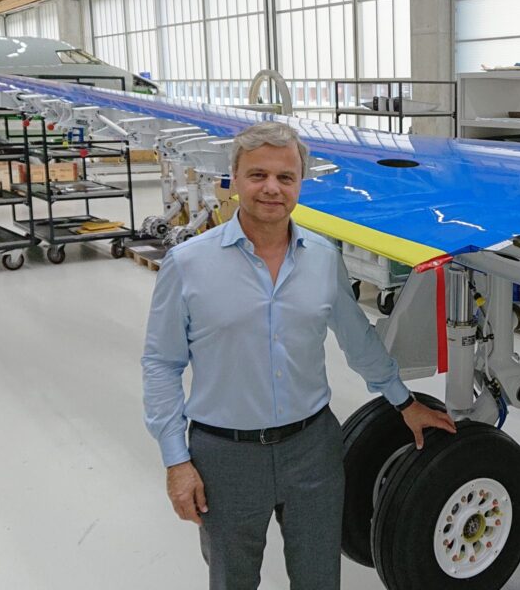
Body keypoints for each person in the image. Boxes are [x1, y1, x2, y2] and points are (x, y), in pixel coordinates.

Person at [142, 121, 456, 590]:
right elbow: (161, 364)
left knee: (319, 579)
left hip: (312, 449)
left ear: (299, 184)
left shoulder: (323, 259)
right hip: (225, 456)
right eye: (258, 175)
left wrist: (404, 402)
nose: (272, 188)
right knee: (233, 580)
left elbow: (357, 338)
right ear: (234, 177)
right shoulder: (189, 265)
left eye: (285, 177)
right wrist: (175, 461)